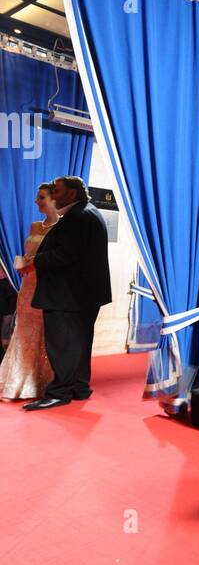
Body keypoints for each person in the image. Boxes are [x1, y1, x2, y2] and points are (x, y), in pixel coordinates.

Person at [22, 176, 112, 411]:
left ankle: (58, 392)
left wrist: (35, 261)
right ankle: (79, 388)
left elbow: (66, 254)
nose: (53, 194)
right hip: (84, 294)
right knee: (80, 344)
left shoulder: (77, 217)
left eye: (57, 190)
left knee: (62, 345)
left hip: (68, 295)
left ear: (71, 194)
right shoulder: (88, 212)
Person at [0, 183, 59, 400]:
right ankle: (17, 378)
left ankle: (41, 379)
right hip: (28, 284)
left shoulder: (62, 227)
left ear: (54, 199)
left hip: (48, 286)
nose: (36, 201)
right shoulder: (35, 226)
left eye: (41, 197)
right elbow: (30, 255)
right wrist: (24, 265)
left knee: (44, 332)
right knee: (23, 330)